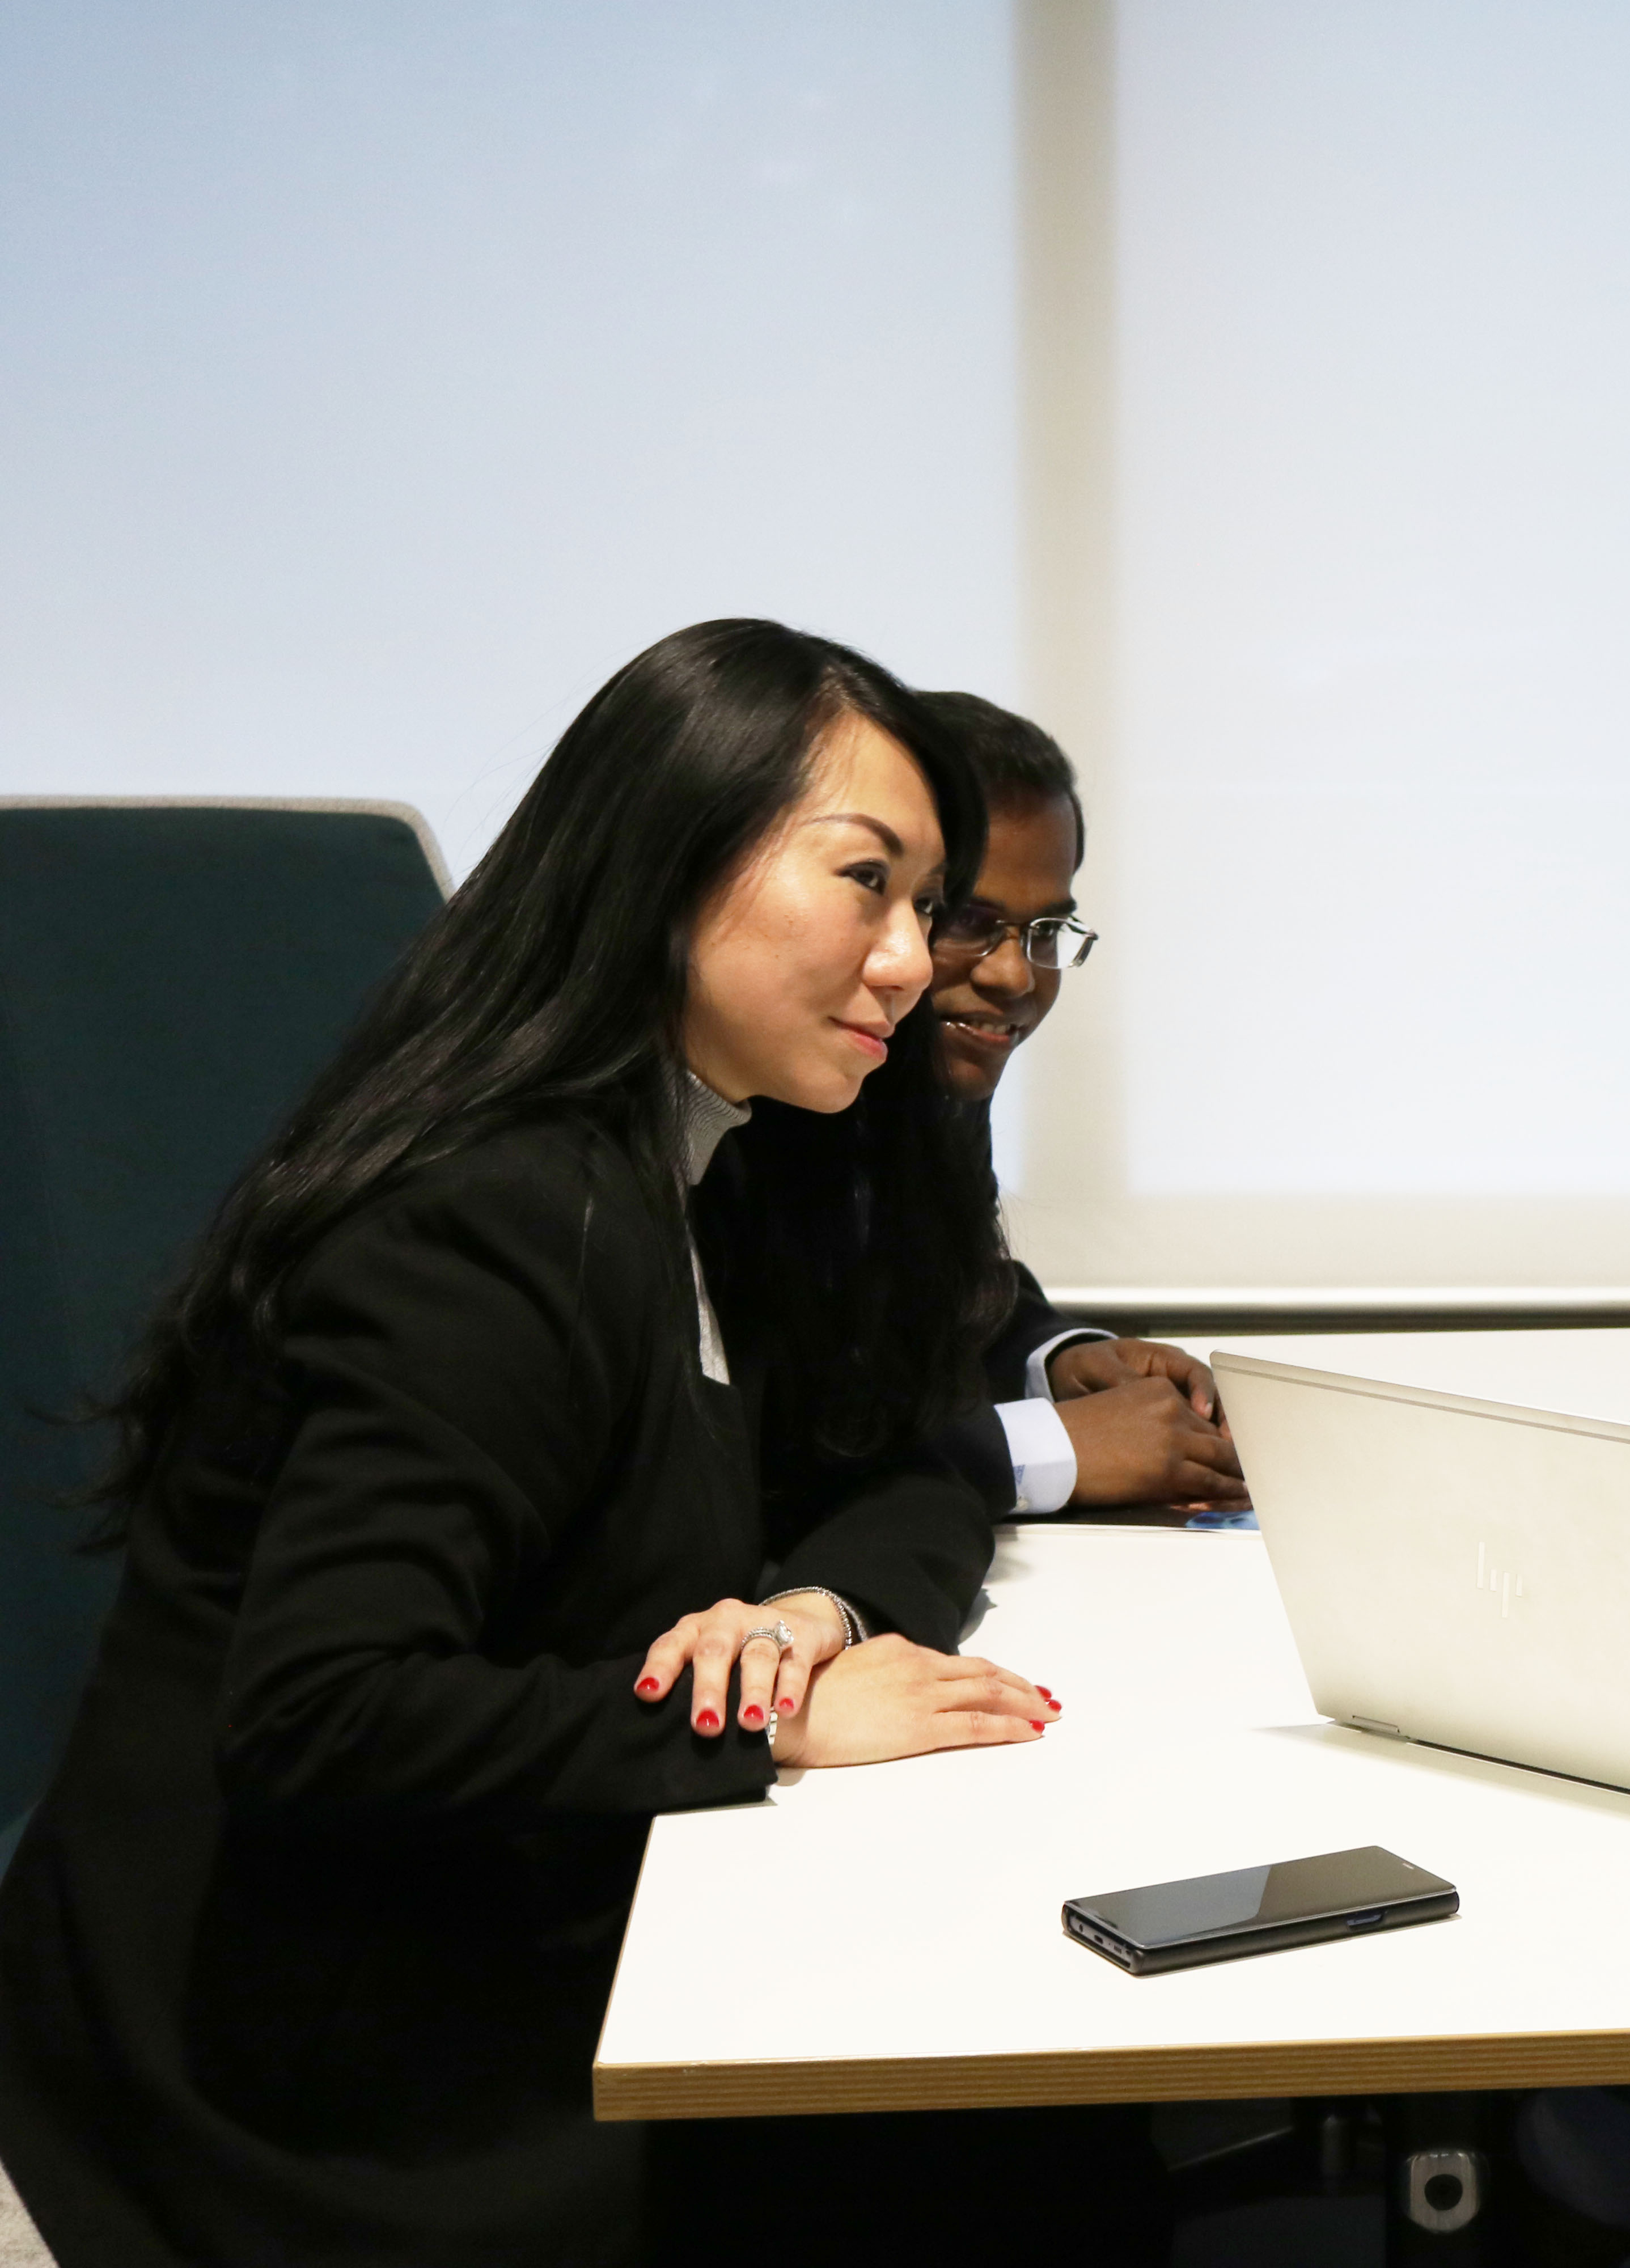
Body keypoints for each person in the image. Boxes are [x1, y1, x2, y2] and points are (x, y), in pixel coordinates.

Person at [0, 621, 1067, 2266]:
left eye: (929, 908)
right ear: (669, 858)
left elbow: (909, 1462)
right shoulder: (492, 1216)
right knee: (965, 2163)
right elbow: (322, 1711)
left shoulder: (724, 1163)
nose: (919, 963)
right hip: (301, 2078)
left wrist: (805, 1627)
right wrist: (766, 1735)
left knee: (993, 2136)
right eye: (870, 884)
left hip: (522, 1919)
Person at [913, 690, 1241, 1517]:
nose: (1016, 977)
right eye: (967, 919)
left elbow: (948, 1295)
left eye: (1045, 932)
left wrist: (1057, 1363)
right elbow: (772, 1444)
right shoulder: (756, 1107)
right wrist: (1048, 1450)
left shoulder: (933, 1076)